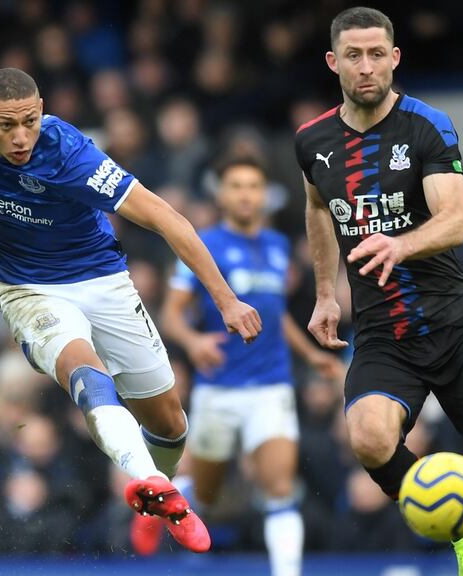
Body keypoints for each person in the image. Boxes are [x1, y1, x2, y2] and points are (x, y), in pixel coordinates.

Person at [296, 8, 463, 576]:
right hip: (382, 334)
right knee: (369, 439)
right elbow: (318, 208)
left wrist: (399, 245)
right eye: (354, 55)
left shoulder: (427, 125)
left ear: (395, 58)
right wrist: (326, 292)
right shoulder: (313, 141)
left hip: (456, 324)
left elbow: (456, 219)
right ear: (334, 62)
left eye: (377, 54)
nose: (366, 66)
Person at [0, 68, 262, 553]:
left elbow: (168, 220)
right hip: (25, 287)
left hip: (100, 277)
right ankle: (153, 486)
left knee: (170, 424)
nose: (21, 136)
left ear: (44, 109)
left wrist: (226, 300)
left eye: (31, 120)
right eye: (7, 126)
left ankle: (155, 490)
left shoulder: (70, 155)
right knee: (84, 371)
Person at [153, 156, 344, 574]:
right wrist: (192, 339)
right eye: (236, 185)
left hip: (271, 386)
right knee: (208, 494)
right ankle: (174, 495)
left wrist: (311, 354)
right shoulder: (203, 245)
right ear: (221, 195)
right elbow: (170, 314)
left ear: (265, 196)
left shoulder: (277, 247)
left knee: (279, 490)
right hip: (217, 388)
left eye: (253, 186)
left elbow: (273, 316)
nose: (245, 194)